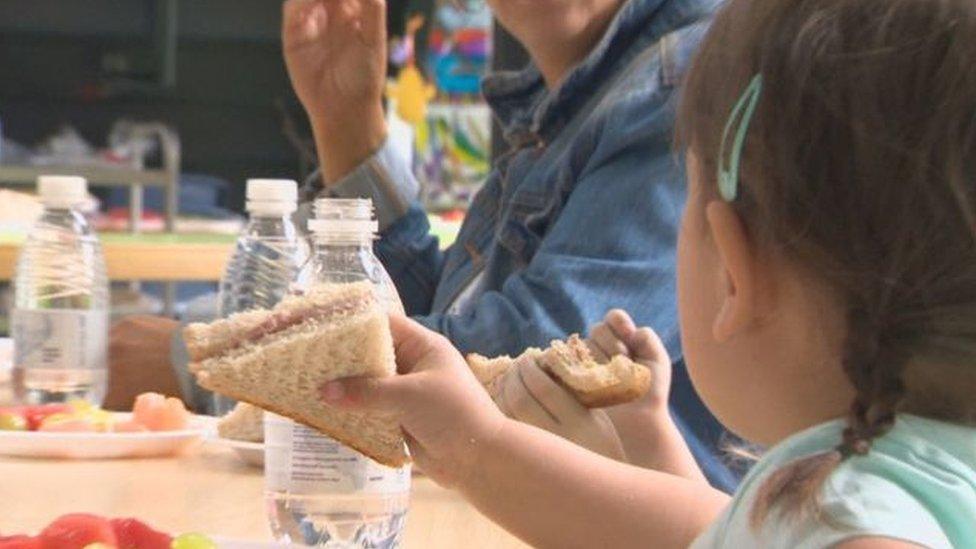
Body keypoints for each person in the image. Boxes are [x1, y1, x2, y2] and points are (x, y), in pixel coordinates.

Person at [318, 0, 976, 546]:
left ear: (736, 272)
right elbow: (703, 530)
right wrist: (482, 446)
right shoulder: (869, 480)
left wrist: (477, 446)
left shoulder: (866, 514)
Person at [107, 0, 739, 491]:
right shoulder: (591, 88)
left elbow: (537, 367)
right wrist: (347, 123)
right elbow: (447, 320)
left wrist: (208, 368)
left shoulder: (683, 79)